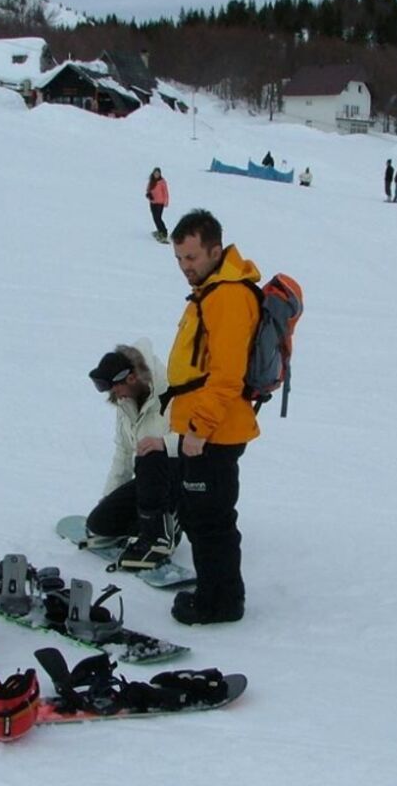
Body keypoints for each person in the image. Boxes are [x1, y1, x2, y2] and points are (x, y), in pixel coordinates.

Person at [161, 209, 260, 625]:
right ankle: (215, 594)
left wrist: (198, 430)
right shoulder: (212, 290)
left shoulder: (228, 296)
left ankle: (219, 603)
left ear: (215, 251)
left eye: (192, 257)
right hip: (204, 426)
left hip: (215, 430)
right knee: (201, 513)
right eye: (179, 258)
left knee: (210, 518)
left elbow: (227, 376)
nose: (185, 267)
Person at [85, 340, 181, 569]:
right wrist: (108, 498)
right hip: (150, 484)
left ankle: (161, 535)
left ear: (130, 378)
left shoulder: (172, 392)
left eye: (114, 387)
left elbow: (195, 441)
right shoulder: (126, 403)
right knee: (99, 523)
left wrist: (162, 444)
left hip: (181, 479)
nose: (113, 393)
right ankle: (154, 525)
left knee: (149, 454)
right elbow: (123, 453)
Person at [146, 168, 169, 242]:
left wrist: (166, 201)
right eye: (155, 173)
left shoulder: (162, 182)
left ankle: (164, 232)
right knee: (155, 218)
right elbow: (148, 189)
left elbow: (165, 192)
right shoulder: (151, 181)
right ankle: (159, 231)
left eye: (158, 173)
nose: (157, 175)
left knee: (158, 218)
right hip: (153, 202)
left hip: (160, 203)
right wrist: (148, 195)